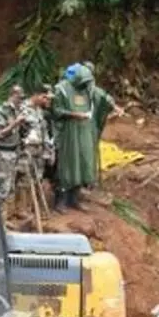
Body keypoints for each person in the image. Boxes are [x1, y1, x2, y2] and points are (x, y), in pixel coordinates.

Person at [51, 63, 98, 211]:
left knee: (82, 164)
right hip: (68, 134)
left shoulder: (86, 92)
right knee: (67, 166)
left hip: (83, 133)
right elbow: (55, 111)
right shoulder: (61, 89)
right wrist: (73, 115)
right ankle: (61, 201)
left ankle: (75, 199)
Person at [0, 85, 26, 203]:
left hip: (14, 152)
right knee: (0, 188)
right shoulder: (0, 111)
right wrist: (16, 123)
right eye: (19, 98)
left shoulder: (17, 111)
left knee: (9, 188)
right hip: (3, 153)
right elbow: (0, 134)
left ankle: (3, 218)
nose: (21, 101)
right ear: (13, 96)